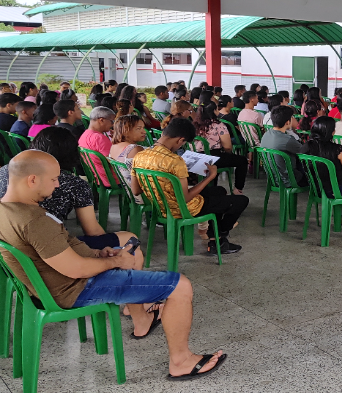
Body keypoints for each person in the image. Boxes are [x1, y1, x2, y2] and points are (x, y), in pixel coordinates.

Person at [0, 150, 228, 378]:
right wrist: (115, 261)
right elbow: (75, 269)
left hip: (59, 283)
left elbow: (61, 250)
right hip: (77, 287)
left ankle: (144, 320)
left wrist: (100, 253)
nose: (57, 185)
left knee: (127, 253)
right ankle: (181, 361)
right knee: (180, 286)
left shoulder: (8, 209)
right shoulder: (33, 221)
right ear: (32, 180)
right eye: (53, 179)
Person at [0, 127, 144, 256]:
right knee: (129, 239)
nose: (55, 184)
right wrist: (108, 250)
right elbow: (92, 230)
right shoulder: (74, 184)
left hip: (8, 245)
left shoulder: (9, 169)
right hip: (45, 249)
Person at [132, 118, 246, 255]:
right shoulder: (175, 160)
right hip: (182, 209)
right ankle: (220, 236)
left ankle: (216, 239)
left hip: (160, 207)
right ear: (180, 140)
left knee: (219, 191)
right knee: (241, 201)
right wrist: (210, 177)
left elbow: (136, 190)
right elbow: (185, 198)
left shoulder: (140, 156)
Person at [192, 103, 248, 195]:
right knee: (242, 161)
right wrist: (228, 153)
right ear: (214, 111)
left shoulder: (195, 124)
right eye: (217, 109)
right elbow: (228, 147)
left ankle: (212, 188)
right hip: (212, 157)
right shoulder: (218, 124)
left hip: (196, 157)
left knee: (221, 160)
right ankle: (238, 189)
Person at [259, 107, 307, 188]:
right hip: (289, 180)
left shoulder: (266, 134)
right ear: (288, 122)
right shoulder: (287, 140)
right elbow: (306, 151)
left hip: (273, 178)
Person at [109, 114, 146, 196]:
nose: (144, 131)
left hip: (127, 192)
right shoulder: (134, 149)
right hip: (141, 196)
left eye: (143, 128)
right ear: (126, 131)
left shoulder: (114, 146)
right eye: (138, 129)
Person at [78, 106, 115, 187]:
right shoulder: (100, 138)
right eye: (112, 121)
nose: (113, 125)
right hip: (111, 180)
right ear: (101, 120)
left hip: (96, 178)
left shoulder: (84, 135)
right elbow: (114, 161)